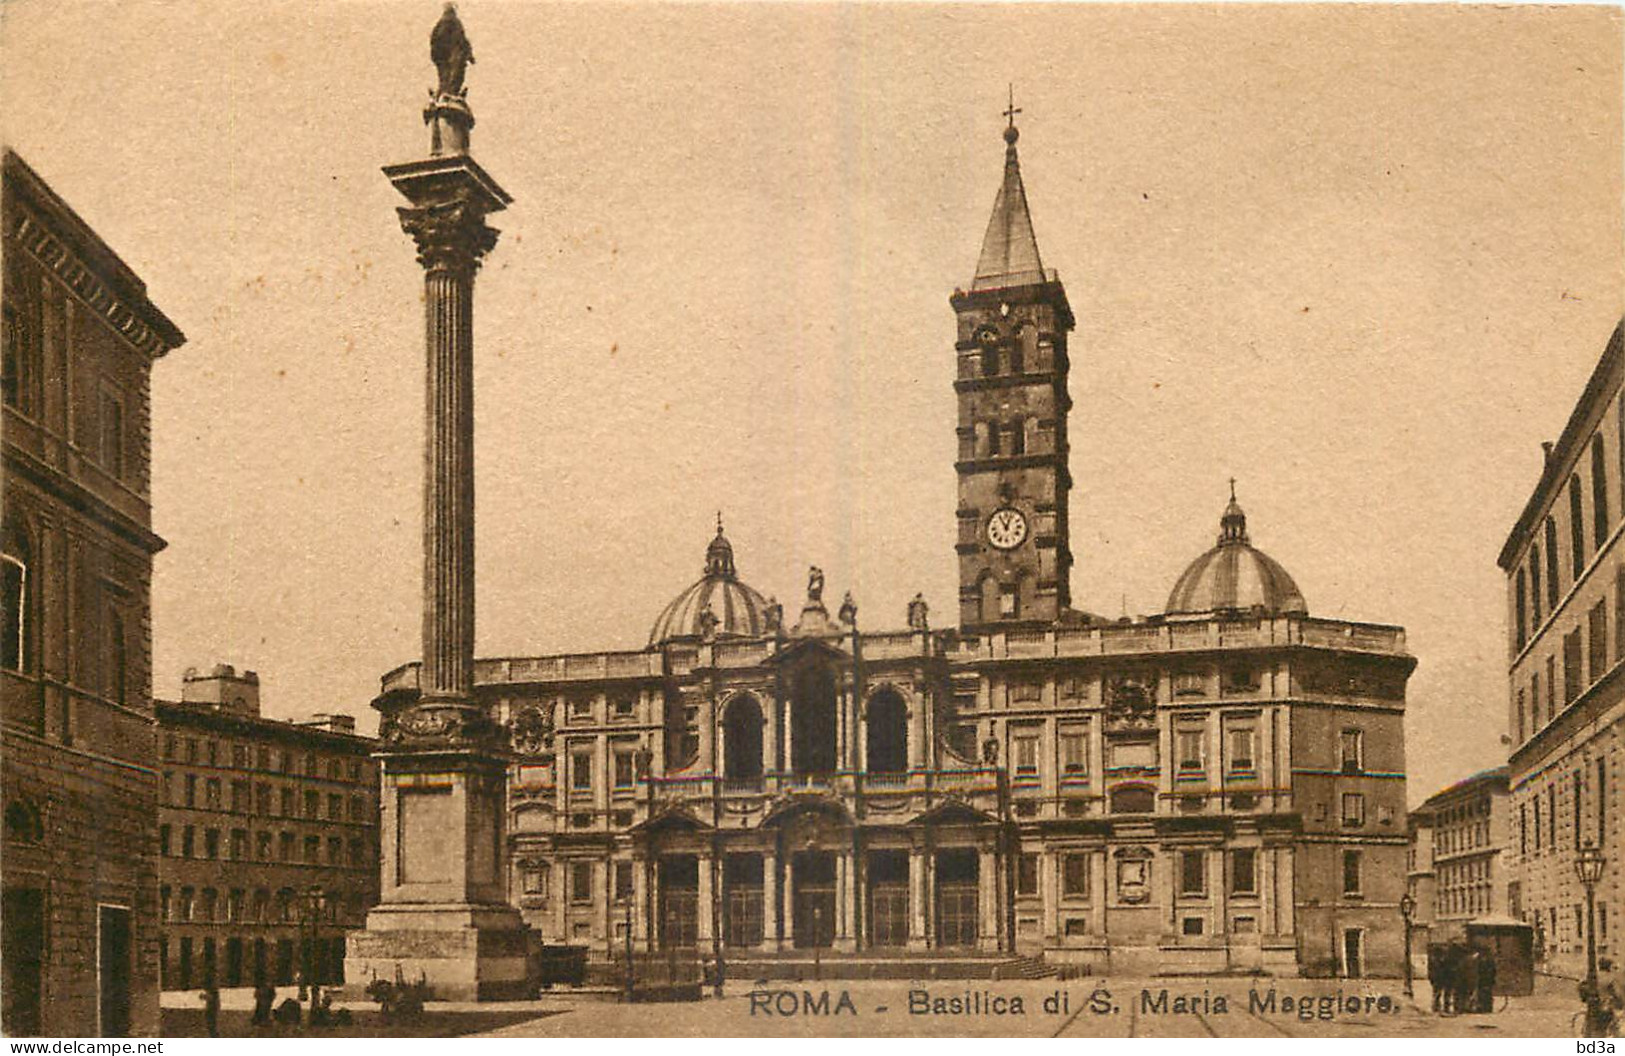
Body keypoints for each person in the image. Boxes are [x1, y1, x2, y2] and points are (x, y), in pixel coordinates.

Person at [1454, 945, 1480, 1016]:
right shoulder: (1469, 960)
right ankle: (1466, 1007)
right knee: (1468, 994)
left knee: (1464, 994)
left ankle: (1463, 1007)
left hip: (1465, 980)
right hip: (1468, 980)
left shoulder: (1463, 960)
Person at [1427, 945, 1448, 1013]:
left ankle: (1436, 1007)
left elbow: (1430, 971)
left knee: (1437, 993)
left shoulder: (1433, 961)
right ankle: (1437, 1007)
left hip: (1437, 978)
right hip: (1439, 978)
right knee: (1438, 993)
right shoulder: (1439, 961)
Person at [1476, 947, 1496, 1013]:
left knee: (1485, 993)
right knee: (1485, 993)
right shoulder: (1489, 960)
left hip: (1485, 979)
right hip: (1485, 979)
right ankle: (1485, 1007)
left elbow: (1493, 970)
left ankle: (1485, 1007)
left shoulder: (1484, 960)